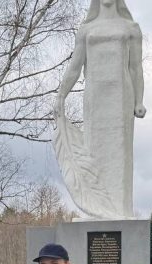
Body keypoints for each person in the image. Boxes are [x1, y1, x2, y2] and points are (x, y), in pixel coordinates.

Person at [53, 0, 145, 219]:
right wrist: (61, 95)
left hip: (121, 96)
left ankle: (118, 210)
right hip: (95, 99)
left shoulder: (130, 28)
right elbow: (75, 66)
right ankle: (97, 207)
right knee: (94, 152)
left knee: (119, 154)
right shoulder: (86, 30)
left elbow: (136, 67)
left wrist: (139, 101)